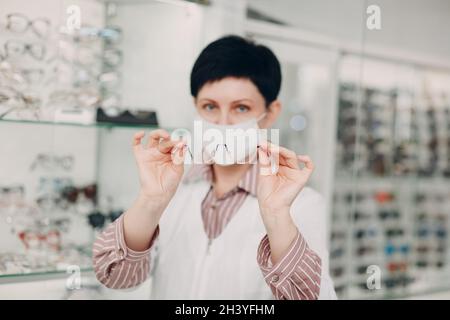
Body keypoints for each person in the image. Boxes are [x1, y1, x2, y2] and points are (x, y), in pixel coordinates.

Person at [93, 35, 337, 299]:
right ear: (195, 108)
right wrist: (151, 200)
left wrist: (277, 217)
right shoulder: (173, 190)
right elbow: (114, 276)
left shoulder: (302, 205)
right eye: (209, 106)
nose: (223, 122)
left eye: (241, 108)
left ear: (271, 112)